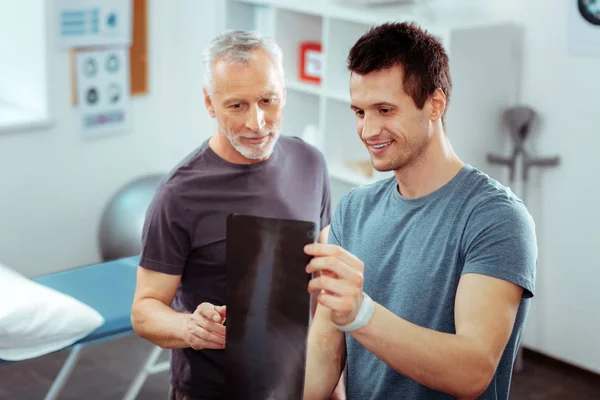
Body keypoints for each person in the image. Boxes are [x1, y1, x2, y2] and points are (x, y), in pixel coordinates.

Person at [303, 22, 537, 400]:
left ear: (435, 104)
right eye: (360, 112)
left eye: (384, 109)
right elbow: (326, 350)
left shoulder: (496, 219)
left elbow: (472, 370)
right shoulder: (353, 211)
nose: (368, 130)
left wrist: (362, 315)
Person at [130, 30, 332, 400]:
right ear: (210, 102)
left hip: (298, 383)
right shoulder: (179, 193)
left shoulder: (311, 164)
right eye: (237, 106)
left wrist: (332, 381)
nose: (257, 123)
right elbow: (144, 311)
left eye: (268, 100)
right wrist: (191, 326)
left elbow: (321, 279)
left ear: (284, 92)